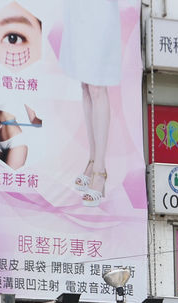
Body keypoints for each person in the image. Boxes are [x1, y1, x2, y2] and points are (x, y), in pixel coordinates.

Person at [60, 0, 122, 207]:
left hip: (100, 9)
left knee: (97, 85)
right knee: (85, 84)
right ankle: (93, 160)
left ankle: (100, 171)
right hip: (78, 9)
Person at [0, 105, 42, 170]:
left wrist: (51, 122)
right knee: (1, 176)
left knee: (9, 176)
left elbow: (34, 120)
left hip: (15, 142)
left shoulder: (23, 96)